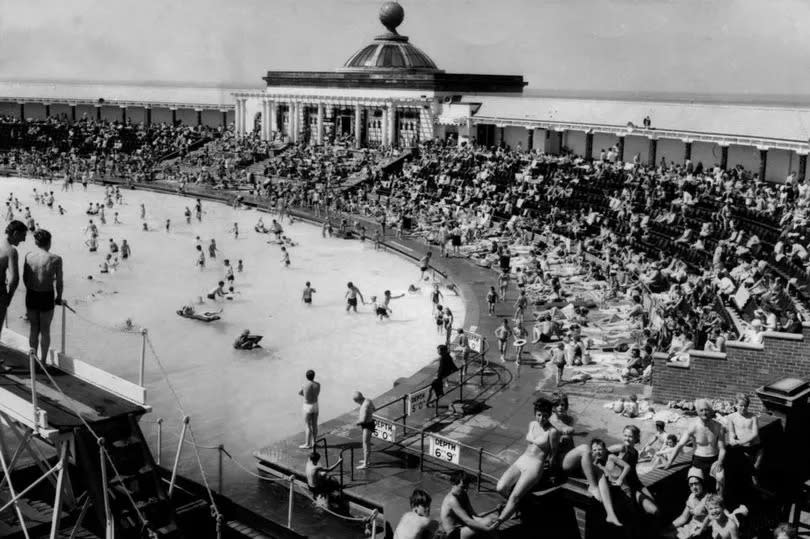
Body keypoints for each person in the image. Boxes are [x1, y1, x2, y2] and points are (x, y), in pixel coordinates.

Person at [493, 397, 558, 527]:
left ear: (550, 415)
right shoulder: (532, 424)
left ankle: (498, 522)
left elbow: (553, 454)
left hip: (535, 465)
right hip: (523, 459)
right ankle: (514, 506)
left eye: (545, 416)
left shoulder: (553, 432)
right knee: (500, 487)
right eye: (539, 415)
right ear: (535, 413)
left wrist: (551, 473)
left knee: (515, 496)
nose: (541, 419)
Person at [667, 398, 726, 494]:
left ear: (711, 411)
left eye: (706, 410)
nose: (704, 413)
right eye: (701, 410)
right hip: (698, 461)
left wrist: (720, 461)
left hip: (714, 460)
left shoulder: (718, 427)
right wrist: (669, 463)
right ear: (697, 412)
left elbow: (722, 449)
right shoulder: (693, 426)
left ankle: (720, 501)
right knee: (696, 485)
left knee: (721, 478)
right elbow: (680, 445)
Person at [23, 229, 63, 362]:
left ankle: (33, 361)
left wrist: (31, 290)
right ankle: (44, 361)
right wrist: (58, 297)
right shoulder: (56, 259)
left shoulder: (28, 256)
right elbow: (59, 282)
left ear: (36, 242)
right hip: (46, 295)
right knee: (45, 330)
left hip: (32, 294)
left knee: (34, 328)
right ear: (49, 242)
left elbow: (25, 278)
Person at [440, 471, 495, 538]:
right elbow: (468, 520)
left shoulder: (463, 494)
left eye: (467, 487)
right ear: (453, 484)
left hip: (464, 527)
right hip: (454, 534)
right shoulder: (452, 500)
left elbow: (473, 515)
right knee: (488, 522)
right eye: (462, 487)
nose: (465, 490)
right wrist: (487, 528)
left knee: (493, 517)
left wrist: (490, 519)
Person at [726, 393, 763, 485]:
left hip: (756, 447)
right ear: (735, 405)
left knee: (755, 470)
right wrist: (732, 439)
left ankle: (756, 487)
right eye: (741, 405)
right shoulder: (731, 417)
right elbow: (731, 432)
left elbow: (755, 433)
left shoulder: (753, 417)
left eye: (745, 406)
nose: (743, 408)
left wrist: (741, 442)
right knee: (749, 471)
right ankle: (751, 487)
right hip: (744, 449)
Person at [0, 221, 27, 342]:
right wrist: (8, 299)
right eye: (23, 236)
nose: (24, 240)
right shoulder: (10, 251)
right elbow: (14, 278)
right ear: (15, 233)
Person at [353, 391, 375, 469]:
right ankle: (366, 459)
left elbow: (363, 420)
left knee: (366, 444)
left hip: (367, 426)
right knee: (366, 443)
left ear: (357, 400)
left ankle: (366, 464)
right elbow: (374, 409)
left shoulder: (365, 406)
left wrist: (356, 423)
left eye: (356, 402)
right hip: (370, 423)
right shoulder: (368, 400)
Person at [299, 370, 321, 449]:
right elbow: (317, 394)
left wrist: (306, 396)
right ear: (314, 376)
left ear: (306, 376)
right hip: (315, 405)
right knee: (315, 424)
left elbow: (300, 393)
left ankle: (308, 444)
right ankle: (314, 442)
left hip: (307, 406)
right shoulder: (318, 385)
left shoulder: (304, 385)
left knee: (308, 425)